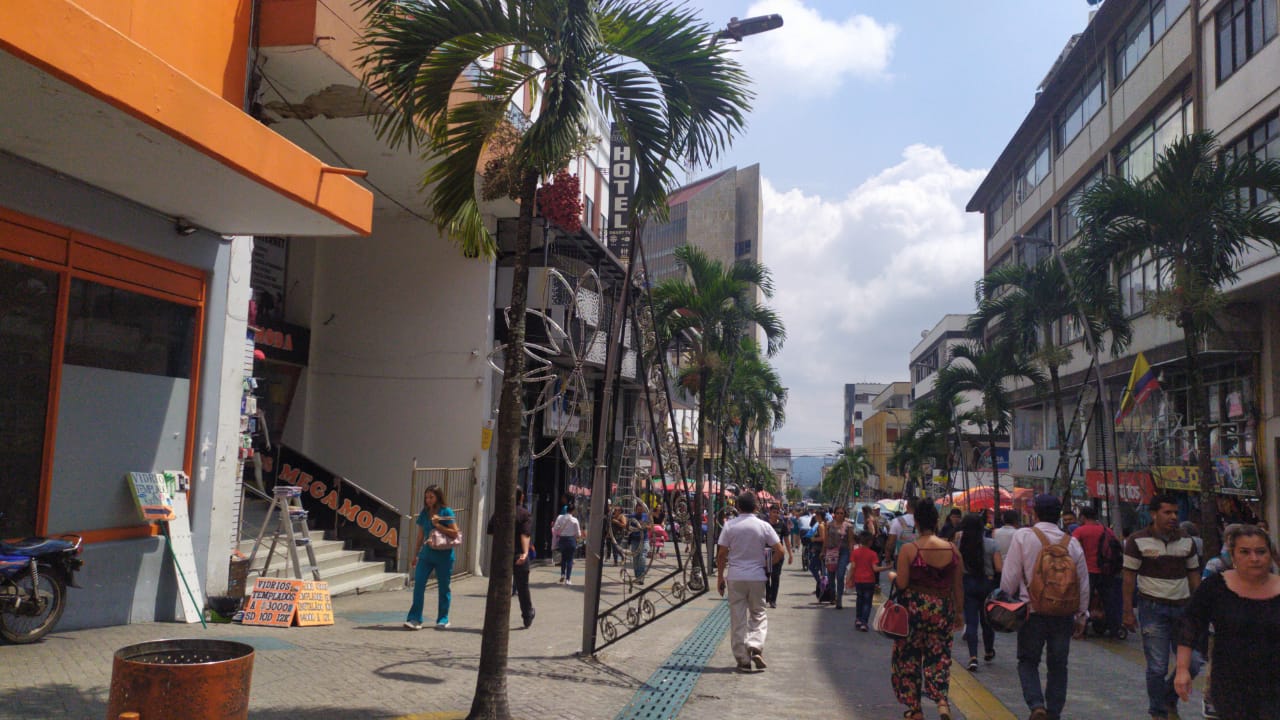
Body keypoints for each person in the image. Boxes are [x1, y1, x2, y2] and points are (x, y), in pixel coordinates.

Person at [1175, 525, 1280, 720]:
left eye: (1261, 552)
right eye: (1245, 552)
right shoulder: (1215, 587)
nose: (1254, 558)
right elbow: (1190, 625)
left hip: (1274, 684)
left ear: (1270, 555)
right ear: (1232, 555)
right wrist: (1182, 669)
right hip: (1231, 683)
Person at [1000, 493, 1089, 720]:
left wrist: (1005, 602)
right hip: (1063, 614)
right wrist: (1082, 615)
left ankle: (1036, 705)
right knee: (1058, 665)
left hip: (1032, 612)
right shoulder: (1072, 543)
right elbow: (1082, 583)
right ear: (1058, 515)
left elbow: (1009, 579)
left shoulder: (1023, 536)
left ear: (1035, 513)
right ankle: (1054, 712)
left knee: (1028, 661)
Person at [1123, 494, 1202, 720]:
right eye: (1167, 512)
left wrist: (1200, 609)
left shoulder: (1186, 541)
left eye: (1175, 512)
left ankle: (1168, 697)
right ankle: (1159, 712)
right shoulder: (1137, 541)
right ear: (1153, 514)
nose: (1173, 517)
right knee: (1157, 666)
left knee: (1193, 663)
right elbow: (1128, 578)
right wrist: (1127, 611)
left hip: (1183, 610)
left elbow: (1194, 576)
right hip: (1152, 609)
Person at [890, 499, 963, 720]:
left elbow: (902, 583)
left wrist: (892, 576)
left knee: (908, 657)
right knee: (939, 655)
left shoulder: (909, 549)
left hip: (914, 612)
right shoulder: (952, 550)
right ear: (936, 521)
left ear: (916, 522)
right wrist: (959, 612)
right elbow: (957, 586)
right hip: (942, 610)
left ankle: (915, 709)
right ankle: (942, 702)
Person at [716, 491, 784, 673]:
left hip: (735, 577)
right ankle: (755, 645)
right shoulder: (764, 526)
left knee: (737, 618)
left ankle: (742, 660)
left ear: (737, 507)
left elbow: (721, 554)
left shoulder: (729, 526)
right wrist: (767, 565)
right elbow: (780, 550)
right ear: (756, 507)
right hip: (757, 577)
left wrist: (720, 577)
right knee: (758, 614)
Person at [405, 484, 458, 630]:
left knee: (444, 588)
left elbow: (455, 533)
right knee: (419, 585)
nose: (428, 500)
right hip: (426, 555)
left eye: (431, 497)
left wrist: (438, 525)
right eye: (426, 497)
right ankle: (415, 619)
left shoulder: (446, 511)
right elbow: (420, 535)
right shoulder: (424, 512)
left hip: (444, 556)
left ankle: (443, 619)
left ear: (438, 497)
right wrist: (415, 555)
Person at [957, 512, 1002, 671]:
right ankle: (988, 650)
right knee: (987, 620)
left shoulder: (960, 544)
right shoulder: (992, 544)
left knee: (971, 621)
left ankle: (973, 657)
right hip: (987, 583)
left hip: (968, 583)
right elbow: (999, 568)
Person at [1070, 505, 1123, 638]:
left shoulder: (1080, 531)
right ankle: (1115, 629)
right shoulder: (1107, 530)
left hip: (1088, 571)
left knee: (1084, 602)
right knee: (1109, 601)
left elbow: (1072, 549)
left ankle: (1081, 629)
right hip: (1106, 571)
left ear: (1083, 517)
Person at [484, 487, 534, 628]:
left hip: (502, 554)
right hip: (518, 553)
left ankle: (496, 619)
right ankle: (527, 615)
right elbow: (525, 534)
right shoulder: (524, 514)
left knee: (499, 586)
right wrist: (525, 552)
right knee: (522, 586)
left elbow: (491, 531)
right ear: (521, 497)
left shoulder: (499, 512)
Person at [846, 530, 887, 631]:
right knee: (867, 602)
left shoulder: (855, 552)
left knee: (859, 600)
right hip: (869, 581)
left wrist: (848, 579)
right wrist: (887, 567)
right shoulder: (873, 554)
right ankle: (864, 623)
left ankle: (858, 619)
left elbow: (853, 567)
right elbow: (875, 569)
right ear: (870, 542)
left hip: (858, 580)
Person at [820, 506, 855, 609]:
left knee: (840, 575)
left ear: (844, 515)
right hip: (831, 552)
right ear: (834, 514)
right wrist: (823, 551)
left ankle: (839, 598)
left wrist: (852, 555)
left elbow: (851, 542)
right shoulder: (829, 525)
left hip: (843, 552)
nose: (839, 515)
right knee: (831, 576)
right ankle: (833, 595)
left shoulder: (849, 526)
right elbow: (826, 539)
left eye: (841, 513)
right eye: (838, 513)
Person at [764, 505, 793, 608]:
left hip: (778, 554)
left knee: (775, 577)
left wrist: (790, 554)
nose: (775, 514)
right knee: (765, 577)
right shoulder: (765, 524)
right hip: (766, 553)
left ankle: (773, 600)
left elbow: (786, 541)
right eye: (773, 512)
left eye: (777, 512)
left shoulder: (782, 525)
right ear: (769, 512)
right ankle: (768, 595)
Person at [552, 502, 583, 585]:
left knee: (563, 558)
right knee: (570, 559)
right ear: (573, 511)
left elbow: (555, 528)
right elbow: (578, 534)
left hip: (562, 540)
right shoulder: (575, 520)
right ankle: (568, 579)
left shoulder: (560, 517)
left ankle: (562, 574)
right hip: (571, 540)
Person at [887, 498, 919, 563]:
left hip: (901, 557)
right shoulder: (924, 522)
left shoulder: (897, 521)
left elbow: (890, 543)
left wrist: (888, 559)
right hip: (919, 558)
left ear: (906, 506)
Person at [627, 501, 651, 583]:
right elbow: (627, 526)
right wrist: (633, 527)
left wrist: (644, 525)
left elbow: (650, 527)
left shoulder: (646, 516)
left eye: (641, 510)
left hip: (644, 539)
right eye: (638, 510)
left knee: (643, 557)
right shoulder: (632, 516)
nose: (640, 511)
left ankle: (641, 577)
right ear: (636, 509)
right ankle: (637, 576)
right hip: (635, 540)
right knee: (635, 560)